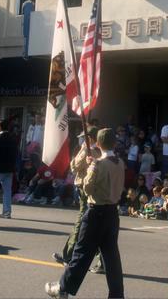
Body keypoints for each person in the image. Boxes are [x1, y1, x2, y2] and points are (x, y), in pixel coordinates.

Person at [45, 128, 125, 299]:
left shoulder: (98, 164)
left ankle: (63, 288)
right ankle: (117, 295)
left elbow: (87, 188)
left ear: (98, 143)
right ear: (115, 143)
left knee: (81, 254)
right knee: (111, 258)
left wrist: (91, 166)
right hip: (113, 213)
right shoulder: (120, 163)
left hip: (96, 212)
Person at [52, 126, 100, 268]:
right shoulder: (97, 151)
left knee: (82, 223)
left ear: (89, 138)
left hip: (85, 189)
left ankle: (69, 256)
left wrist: (82, 151)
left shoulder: (89, 150)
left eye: (83, 137)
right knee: (92, 225)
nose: (81, 140)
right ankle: (99, 260)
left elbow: (74, 166)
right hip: (90, 189)